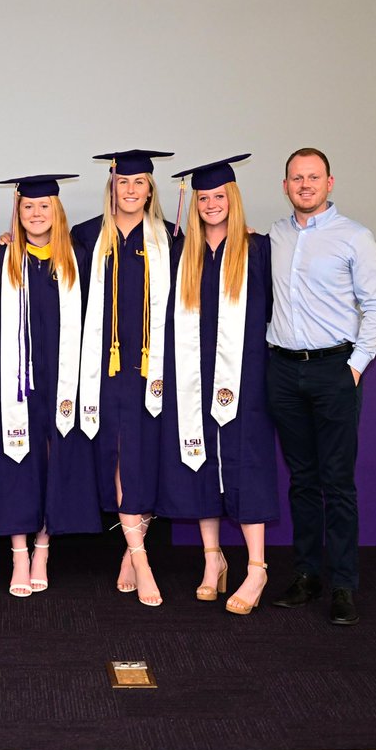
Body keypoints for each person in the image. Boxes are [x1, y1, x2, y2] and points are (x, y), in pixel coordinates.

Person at [266, 148, 376, 626]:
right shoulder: (274, 236)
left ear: (330, 182)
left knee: (337, 483)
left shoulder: (354, 237)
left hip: (334, 371)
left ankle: (343, 585)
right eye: (296, 178)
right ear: (285, 185)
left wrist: (355, 366)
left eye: (313, 177)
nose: (305, 185)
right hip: (282, 371)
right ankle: (305, 576)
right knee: (301, 481)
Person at [157, 155, 278, 614]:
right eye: (203, 198)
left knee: (247, 463)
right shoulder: (182, 254)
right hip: (192, 377)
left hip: (244, 377)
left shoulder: (258, 249)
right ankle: (213, 560)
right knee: (200, 460)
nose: (210, 204)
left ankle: (257, 568)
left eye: (218, 197)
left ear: (233, 199)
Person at [0, 174, 101, 597]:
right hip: (16, 382)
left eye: (44, 206)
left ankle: (43, 547)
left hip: (62, 377)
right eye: (28, 207)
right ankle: (18, 552)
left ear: (58, 211)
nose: (36, 214)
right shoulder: (1, 260)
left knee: (53, 457)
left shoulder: (77, 259)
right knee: (16, 457)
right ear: (17, 211)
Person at [71, 149, 180, 607]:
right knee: (117, 458)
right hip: (104, 370)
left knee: (147, 458)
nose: (131, 190)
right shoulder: (83, 236)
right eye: (123, 183)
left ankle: (130, 553)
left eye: (139, 183)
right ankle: (141, 557)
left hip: (155, 368)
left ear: (151, 188)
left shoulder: (173, 239)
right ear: (111, 187)